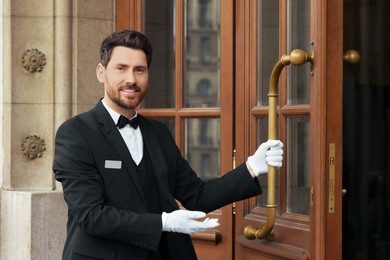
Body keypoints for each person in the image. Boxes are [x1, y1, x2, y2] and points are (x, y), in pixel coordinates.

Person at [53, 29, 283, 260]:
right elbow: (91, 216)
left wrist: (251, 167)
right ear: (101, 72)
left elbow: (197, 196)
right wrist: (164, 222)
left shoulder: (158, 133)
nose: (131, 79)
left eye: (139, 70)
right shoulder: (75, 133)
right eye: (121, 68)